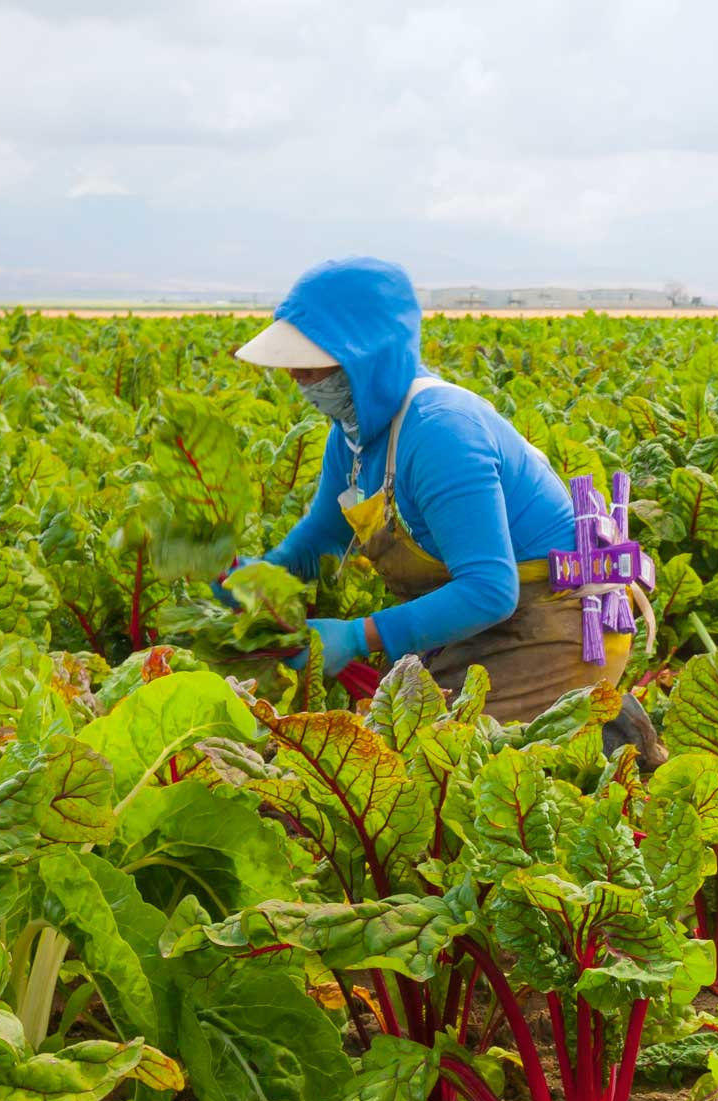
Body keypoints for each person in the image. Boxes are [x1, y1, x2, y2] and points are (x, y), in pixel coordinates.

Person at [231, 257, 660, 759]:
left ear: (368, 357)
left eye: (312, 365)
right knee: (397, 741)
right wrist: (260, 578)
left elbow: (489, 590)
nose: (297, 378)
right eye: (293, 365)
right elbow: (323, 534)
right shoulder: (352, 436)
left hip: (552, 622)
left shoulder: (440, 431)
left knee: (423, 758)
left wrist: (356, 635)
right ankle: (582, 718)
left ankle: (597, 720)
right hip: (476, 624)